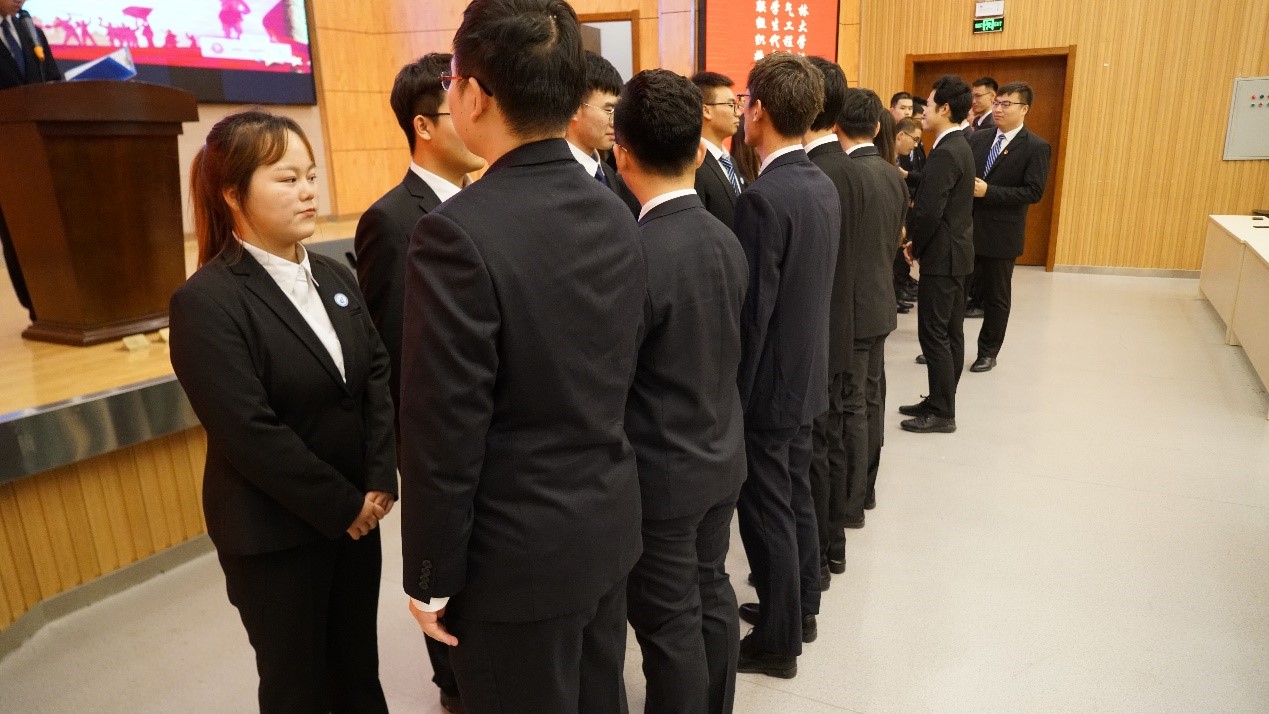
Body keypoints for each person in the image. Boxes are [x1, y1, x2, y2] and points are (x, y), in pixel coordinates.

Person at [398, 1, 646, 711]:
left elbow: (445, 428)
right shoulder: (614, 209)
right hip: (605, 526)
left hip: (514, 558)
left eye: (452, 77)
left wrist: (429, 573)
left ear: (475, 94)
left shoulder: (455, 233)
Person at [169, 111, 397, 713]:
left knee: (359, 670)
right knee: (298, 686)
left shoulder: (333, 274)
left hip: (357, 519)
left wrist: (379, 477)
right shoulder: (206, 301)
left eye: (311, 176)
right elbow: (248, 431)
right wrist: (343, 505)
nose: (307, 191)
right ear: (232, 193)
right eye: (287, 179)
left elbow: (375, 373)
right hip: (276, 534)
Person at [615, 68, 748, 714]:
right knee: (711, 591)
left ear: (621, 155)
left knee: (668, 622)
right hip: (722, 452)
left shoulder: (635, 254)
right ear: (698, 150)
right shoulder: (725, 237)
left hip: (665, 474)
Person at [353, 52, 483, 714]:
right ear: (424, 125)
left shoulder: (486, 203)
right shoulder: (392, 219)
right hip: (434, 434)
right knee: (445, 564)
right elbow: (392, 348)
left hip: (488, 429)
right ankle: (453, 685)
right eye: (457, 109)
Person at [732, 51, 838, 680]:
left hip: (771, 385)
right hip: (806, 372)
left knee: (767, 509)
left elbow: (753, 315)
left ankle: (777, 643)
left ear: (760, 111)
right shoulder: (819, 182)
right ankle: (799, 609)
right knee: (794, 497)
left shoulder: (763, 198)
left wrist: (733, 400)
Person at [834, 87, 909, 523]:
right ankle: (866, 490)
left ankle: (850, 503)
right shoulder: (891, 174)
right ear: (879, 126)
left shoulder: (845, 176)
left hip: (856, 308)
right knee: (872, 397)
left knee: (853, 404)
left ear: (835, 124)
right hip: (881, 300)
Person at [899, 75, 976, 434]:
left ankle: (943, 411)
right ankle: (939, 398)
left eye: (928, 105)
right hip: (956, 253)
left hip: (943, 257)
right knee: (950, 332)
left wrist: (916, 245)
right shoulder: (958, 144)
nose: (923, 111)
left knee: (935, 334)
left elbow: (931, 211)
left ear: (945, 108)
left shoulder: (947, 150)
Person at [802, 56, 854, 585]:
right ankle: (830, 546)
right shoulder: (845, 165)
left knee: (815, 453)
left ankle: (816, 560)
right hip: (840, 330)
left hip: (819, 336)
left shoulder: (819, 173)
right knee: (829, 444)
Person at [967, 81, 1051, 373]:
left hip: (1001, 235)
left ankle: (988, 352)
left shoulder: (1036, 147)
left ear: (1024, 109)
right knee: (956, 292)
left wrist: (989, 191)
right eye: (997, 103)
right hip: (968, 230)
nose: (998, 109)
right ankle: (944, 347)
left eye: (1006, 104)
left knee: (995, 298)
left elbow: (1033, 192)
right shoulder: (979, 138)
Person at [1, 0, 63, 322]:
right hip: (6, 151)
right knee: (16, 227)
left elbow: (54, 80)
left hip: (43, 146)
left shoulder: (31, 31)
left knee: (52, 222)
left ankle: (62, 301)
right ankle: (37, 306)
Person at [566, 50, 640, 215]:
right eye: (608, 110)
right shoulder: (557, 177)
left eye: (617, 110)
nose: (615, 122)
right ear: (573, 108)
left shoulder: (607, 173)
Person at [691, 71, 746, 229]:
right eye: (730, 105)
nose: (738, 112)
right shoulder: (694, 163)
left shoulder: (729, 161)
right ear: (706, 110)